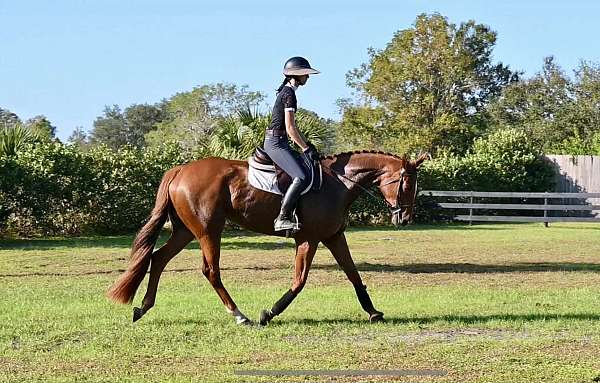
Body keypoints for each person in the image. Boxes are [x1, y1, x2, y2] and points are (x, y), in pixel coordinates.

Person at [264, 56, 321, 232]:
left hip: (280, 142)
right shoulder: (289, 94)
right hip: (275, 143)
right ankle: (282, 218)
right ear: (296, 75)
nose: (308, 77)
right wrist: (306, 148)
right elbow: (290, 128)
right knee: (301, 177)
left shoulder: (288, 92)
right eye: (305, 74)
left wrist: (306, 146)